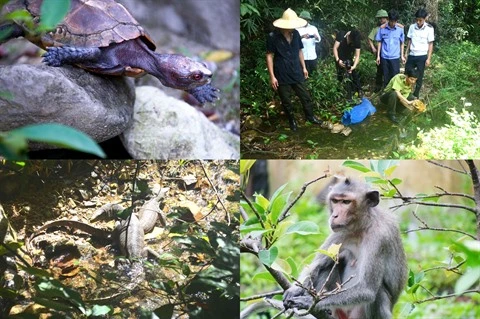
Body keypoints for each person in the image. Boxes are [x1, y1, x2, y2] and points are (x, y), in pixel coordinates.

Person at [266, 8, 322, 131]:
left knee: (305, 96)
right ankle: (292, 121)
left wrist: (304, 67)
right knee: (286, 100)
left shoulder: (296, 34)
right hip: (281, 72)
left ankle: (310, 117)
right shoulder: (273, 36)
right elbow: (269, 56)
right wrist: (272, 76)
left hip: (296, 69)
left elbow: (299, 51)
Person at [405, 8, 434, 98]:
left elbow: (430, 44)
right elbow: (409, 41)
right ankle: (405, 92)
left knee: (419, 75)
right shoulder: (412, 27)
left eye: (420, 20)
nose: (418, 22)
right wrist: (406, 53)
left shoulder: (429, 28)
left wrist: (428, 58)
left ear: (425, 19)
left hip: (422, 56)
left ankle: (416, 94)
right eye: (417, 20)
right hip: (412, 54)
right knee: (407, 73)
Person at [376, 9, 405, 88]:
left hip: (395, 57)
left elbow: (402, 43)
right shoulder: (382, 29)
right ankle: (386, 93)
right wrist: (378, 56)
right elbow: (379, 42)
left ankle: (395, 93)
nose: (393, 23)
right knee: (386, 77)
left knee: (395, 76)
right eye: (391, 21)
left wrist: (402, 56)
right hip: (384, 57)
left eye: (395, 21)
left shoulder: (400, 30)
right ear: (388, 19)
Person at [333, 29, 363, 101]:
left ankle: (359, 90)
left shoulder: (356, 40)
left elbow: (357, 55)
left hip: (349, 58)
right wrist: (338, 60)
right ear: (349, 36)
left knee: (353, 74)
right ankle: (340, 93)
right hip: (339, 58)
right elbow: (335, 48)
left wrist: (354, 66)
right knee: (340, 75)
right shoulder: (341, 35)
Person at [367, 9, 388, 92]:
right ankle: (378, 87)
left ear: (386, 18)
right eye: (380, 18)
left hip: (387, 51)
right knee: (379, 70)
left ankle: (386, 86)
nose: (381, 20)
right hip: (379, 52)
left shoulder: (389, 27)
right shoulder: (376, 29)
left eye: (382, 18)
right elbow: (369, 38)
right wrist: (373, 48)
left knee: (387, 69)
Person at [296, 11, 321, 75]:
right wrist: (302, 37)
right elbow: (294, 41)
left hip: (312, 56)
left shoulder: (313, 28)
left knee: (313, 74)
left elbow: (319, 39)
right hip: (302, 57)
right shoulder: (297, 29)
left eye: (306, 19)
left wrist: (315, 37)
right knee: (302, 75)